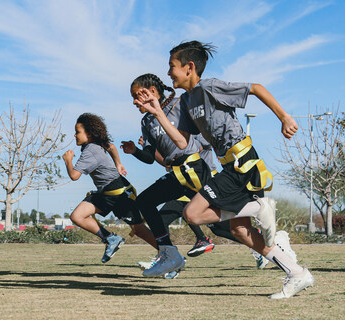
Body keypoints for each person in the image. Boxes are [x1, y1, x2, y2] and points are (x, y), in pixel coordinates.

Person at [134, 41, 314, 299]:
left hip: (243, 162)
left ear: (189, 67)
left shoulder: (208, 87)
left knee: (193, 214)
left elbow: (256, 88)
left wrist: (284, 117)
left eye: (172, 67)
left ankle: (258, 207)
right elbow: (182, 142)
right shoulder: (186, 101)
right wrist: (158, 112)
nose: (169, 73)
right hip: (230, 165)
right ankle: (297, 273)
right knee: (240, 230)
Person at [124, 73, 218, 277]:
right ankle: (169, 254)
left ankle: (262, 243)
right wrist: (135, 151)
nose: (133, 101)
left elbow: (205, 136)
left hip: (196, 169)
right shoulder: (146, 121)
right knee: (145, 201)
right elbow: (150, 157)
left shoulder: (179, 104)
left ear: (152, 92)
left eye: (136, 95)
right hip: (178, 173)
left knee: (220, 225)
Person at [63, 113, 157, 264]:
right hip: (105, 192)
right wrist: (118, 163)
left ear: (90, 133)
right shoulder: (96, 145)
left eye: (78, 132)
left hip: (118, 192)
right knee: (77, 216)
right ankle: (111, 238)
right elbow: (112, 147)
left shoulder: (90, 151)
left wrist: (68, 161)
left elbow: (74, 175)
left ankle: (167, 253)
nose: (75, 135)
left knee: (139, 229)